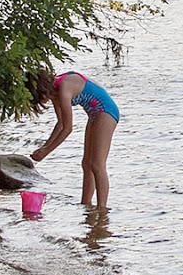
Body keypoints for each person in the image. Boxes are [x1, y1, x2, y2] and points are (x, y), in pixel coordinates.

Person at [29, 70, 120, 209]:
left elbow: (67, 128)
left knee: (97, 164)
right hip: (94, 114)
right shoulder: (56, 93)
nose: (45, 101)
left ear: (43, 89)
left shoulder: (64, 87)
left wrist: (47, 151)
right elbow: (60, 123)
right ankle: (86, 204)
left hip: (106, 111)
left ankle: (102, 209)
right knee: (86, 163)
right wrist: (44, 148)